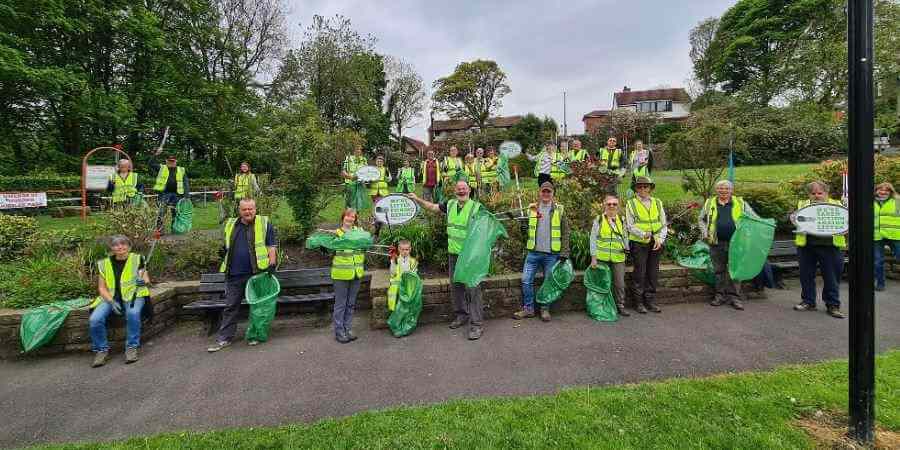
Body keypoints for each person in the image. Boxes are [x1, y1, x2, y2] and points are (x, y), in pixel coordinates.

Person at [408, 180, 486, 340]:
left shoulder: (477, 207)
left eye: (464, 188)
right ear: (455, 191)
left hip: (470, 256)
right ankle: (461, 315)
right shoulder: (450, 204)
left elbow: (485, 231)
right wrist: (417, 199)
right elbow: (432, 207)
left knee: (473, 289)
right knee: (456, 287)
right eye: (458, 189)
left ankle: (476, 325)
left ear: (469, 190)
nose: (461, 191)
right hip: (453, 254)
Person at [208, 198, 277, 352]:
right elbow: (226, 245)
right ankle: (224, 338)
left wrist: (272, 264)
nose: (248, 212)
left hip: (257, 273)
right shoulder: (231, 224)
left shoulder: (264, 223)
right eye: (244, 209)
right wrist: (223, 251)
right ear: (239, 211)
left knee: (258, 308)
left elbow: (271, 246)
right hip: (234, 273)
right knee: (231, 306)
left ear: (255, 209)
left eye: (251, 209)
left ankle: (256, 336)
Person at [89, 235, 151, 367]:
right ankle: (101, 350)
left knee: (133, 313)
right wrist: (111, 302)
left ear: (129, 246)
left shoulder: (137, 259)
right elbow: (101, 287)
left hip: (133, 294)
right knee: (95, 319)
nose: (120, 247)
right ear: (112, 248)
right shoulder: (104, 264)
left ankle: (131, 347)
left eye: (123, 244)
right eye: (116, 245)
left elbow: (146, 279)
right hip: (111, 297)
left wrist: (142, 282)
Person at [513, 181, 570, 322]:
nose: (545, 194)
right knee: (526, 280)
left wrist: (564, 252)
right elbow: (526, 233)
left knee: (548, 282)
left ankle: (545, 309)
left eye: (548, 192)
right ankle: (529, 309)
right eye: (543, 191)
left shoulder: (560, 210)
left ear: (553, 194)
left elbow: (566, 233)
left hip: (552, 254)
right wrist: (523, 228)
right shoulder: (531, 209)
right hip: (533, 253)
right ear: (539, 192)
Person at [698, 180, 758, 311]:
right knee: (718, 271)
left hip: (737, 243)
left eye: (726, 188)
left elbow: (753, 218)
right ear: (716, 190)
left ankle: (734, 298)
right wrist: (705, 233)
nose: (723, 191)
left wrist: (748, 232)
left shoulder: (741, 203)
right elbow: (701, 219)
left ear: (731, 190)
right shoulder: (709, 203)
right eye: (720, 188)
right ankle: (719, 296)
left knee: (734, 271)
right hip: (716, 242)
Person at [790, 181, 846, 318]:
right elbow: (794, 219)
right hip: (806, 246)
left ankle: (833, 305)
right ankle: (808, 301)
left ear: (827, 193)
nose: (816, 196)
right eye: (813, 193)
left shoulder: (838, 205)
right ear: (809, 194)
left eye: (820, 193)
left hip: (830, 246)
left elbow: (846, 222)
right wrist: (792, 218)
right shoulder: (802, 206)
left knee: (831, 277)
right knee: (806, 276)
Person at [324, 208, 367, 343]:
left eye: (353, 217)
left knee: (351, 303)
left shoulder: (359, 233)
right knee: (341, 304)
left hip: (356, 273)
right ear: (343, 218)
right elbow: (327, 251)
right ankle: (339, 331)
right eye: (348, 216)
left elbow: (366, 246)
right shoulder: (336, 234)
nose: (350, 219)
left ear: (355, 219)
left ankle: (348, 328)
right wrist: (324, 247)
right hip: (340, 274)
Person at [625, 177, 666, 314]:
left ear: (650, 188)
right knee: (640, 273)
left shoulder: (658, 203)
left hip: (656, 242)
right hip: (639, 243)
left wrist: (660, 238)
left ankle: (650, 300)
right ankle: (639, 302)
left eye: (645, 187)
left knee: (653, 273)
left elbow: (663, 223)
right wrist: (643, 234)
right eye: (639, 187)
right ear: (636, 189)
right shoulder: (631, 204)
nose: (642, 189)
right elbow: (629, 225)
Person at [590, 195, 630, 316]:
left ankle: (620, 305)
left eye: (614, 204)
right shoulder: (599, 220)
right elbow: (593, 239)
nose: (611, 206)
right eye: (609, 204)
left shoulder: (622, 220)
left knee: (619, 284)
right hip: (602, 258)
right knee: (602, 283)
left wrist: (626, 248)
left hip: (618, 257)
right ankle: (600, 305)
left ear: (618, 206)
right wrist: (593, 258)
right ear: (604, 205)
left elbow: (625, 237)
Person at [151, 154, 190, 232]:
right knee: (161, 212)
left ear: (176, 161)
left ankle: (175, 229)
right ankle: (160, 230)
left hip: (177, 195)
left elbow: (185, 183)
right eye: (169, 161)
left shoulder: (181, 170)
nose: (171, 162)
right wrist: (156, 154)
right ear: (166, 161)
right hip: (164, 194)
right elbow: (151, 163)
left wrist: (186, 196)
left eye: (173, 161)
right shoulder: (161, 168)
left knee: (176, 213)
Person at [875, 182, 900, 291]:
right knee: (878, 261)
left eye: (886, 190)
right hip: (877, 235)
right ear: (876, 190)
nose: (883, 192)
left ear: (891, 192)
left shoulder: (898, 201)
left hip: (895, 235)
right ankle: (880, 284)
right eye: (880, 189)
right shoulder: (870, 201)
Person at [387, 240, 418, 312]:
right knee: (399, 309)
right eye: (402, 249)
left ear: (410, 249)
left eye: (406, 249)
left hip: (408, 287)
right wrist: (393, 261)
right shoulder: (396, 260)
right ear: (399, 249)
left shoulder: (413, 261)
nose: (404, 251)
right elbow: (392, 273)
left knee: (407, 308)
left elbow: (414, 275)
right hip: (397, 289)